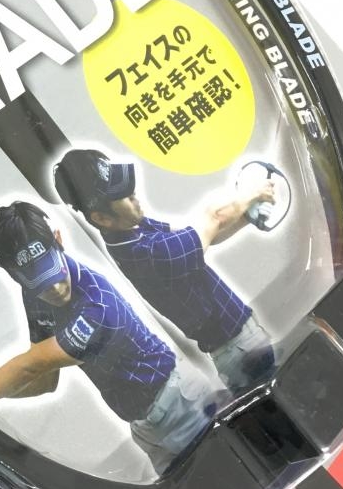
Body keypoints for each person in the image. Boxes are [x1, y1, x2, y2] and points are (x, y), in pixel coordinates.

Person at [0, 201, 223, 474]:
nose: (54, 288)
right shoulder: (35, 296)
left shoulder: (97, 307)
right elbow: (44, 381)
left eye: (52, 271)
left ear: (58, 239)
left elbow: (33, 365)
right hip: (146, 426)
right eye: (39, 282)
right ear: (15, 276)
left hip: (180, 405)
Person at [53, 149, 278, 396]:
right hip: (239, 350)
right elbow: (213, 219)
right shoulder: (145, 254)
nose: (133, 195)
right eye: (123, 196)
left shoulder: (135, 231)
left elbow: (208, 235)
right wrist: (254, 192)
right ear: (102, 218)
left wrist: (247, 216)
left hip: (242, 342)